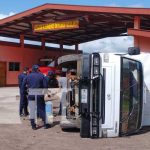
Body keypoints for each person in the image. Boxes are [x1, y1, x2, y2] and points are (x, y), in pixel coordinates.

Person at [22, 65, 48, 130]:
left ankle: (33, 126)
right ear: (37, 69)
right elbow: (45, 86)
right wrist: (44, 93)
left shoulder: (28, 76)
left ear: (32, 69)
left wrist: (25, 92)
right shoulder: (42, 75)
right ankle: (45, 124)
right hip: (39, 94)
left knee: (32, 110)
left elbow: (23, 85)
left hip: (31, 94)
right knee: (41, 109)